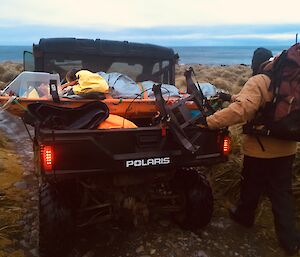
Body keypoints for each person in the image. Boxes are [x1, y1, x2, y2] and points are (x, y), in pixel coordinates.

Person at [206, 47, 300, 255]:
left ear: (255, 63)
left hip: (259, 149)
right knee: (281, 192)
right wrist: (231, 97)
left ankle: (244, 217)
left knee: (251, 185)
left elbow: (244, 109)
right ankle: (289, 240)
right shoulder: (289, 81)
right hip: (288, 147)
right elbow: (253, 102)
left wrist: (209, 122)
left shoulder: (259, 80)